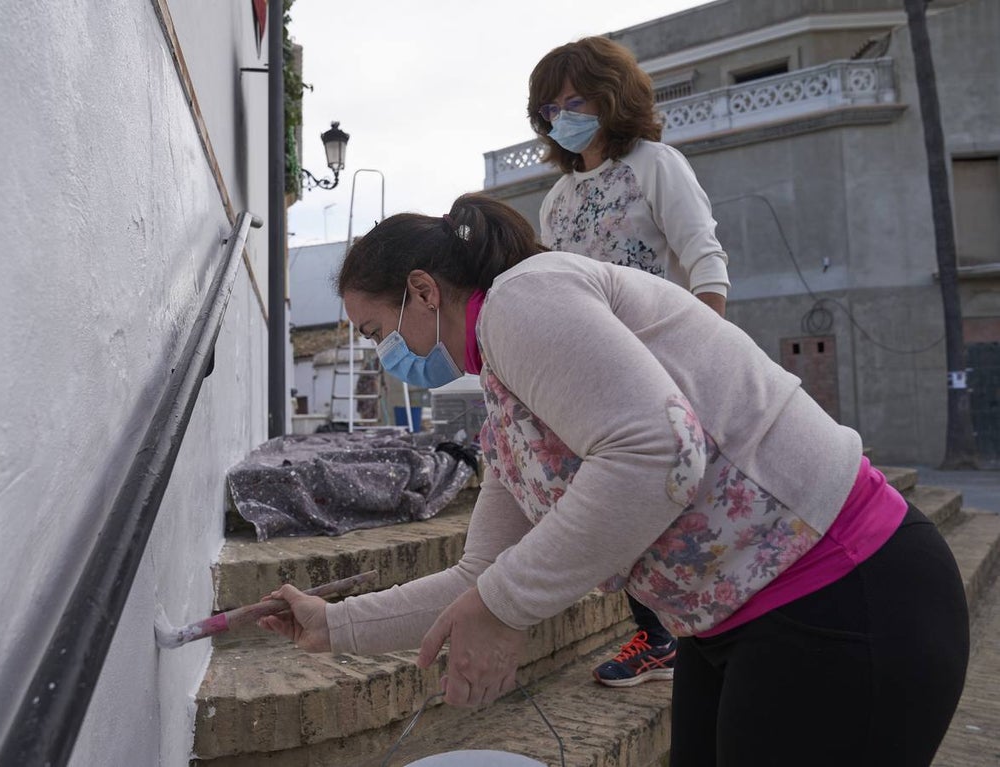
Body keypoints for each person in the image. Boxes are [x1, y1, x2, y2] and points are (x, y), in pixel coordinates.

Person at [259, 193, 968, 767]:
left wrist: (504, 608)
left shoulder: (521, 300)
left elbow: (658, 451)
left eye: (377, 327)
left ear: (422, 290)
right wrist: (334, 625)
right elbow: (480, 574)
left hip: (846, 590)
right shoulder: (507, 404)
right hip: (733, 623)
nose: (383, 352)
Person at [527, 35, 731, 686]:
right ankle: (658, 634)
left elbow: (704, 258)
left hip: (666, 361)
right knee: (619, 506)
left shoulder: (655, 165)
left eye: (576, 98)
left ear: (611, 98)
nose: (564, 114)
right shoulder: (555, 201)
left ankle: (712, 627)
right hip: (593, 376)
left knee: (686, 502)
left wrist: (708, 353)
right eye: (552, 106)